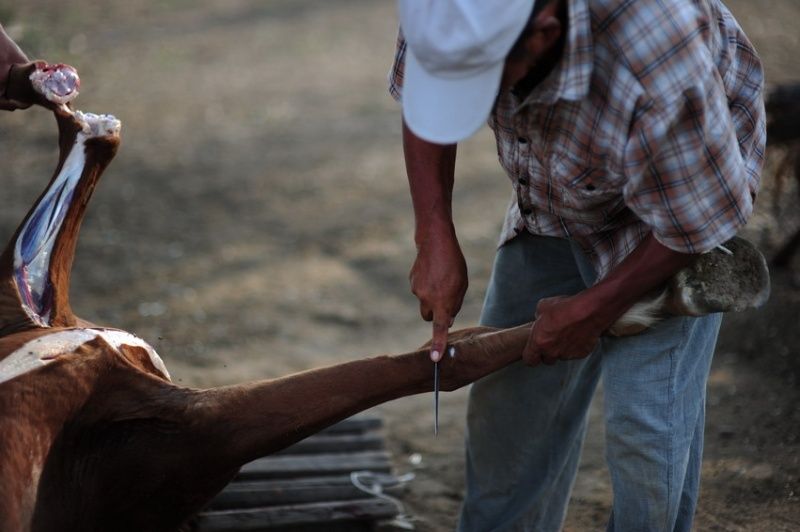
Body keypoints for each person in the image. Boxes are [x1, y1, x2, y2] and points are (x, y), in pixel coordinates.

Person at [389, 0, 764, 530]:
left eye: (483, 83)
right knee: (510, 412)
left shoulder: (658, 49)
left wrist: (593, 309)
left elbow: (699, 219)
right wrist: (433, 234)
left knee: (646, 440)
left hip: (670, 213)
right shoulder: (445, 11)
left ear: (543, 33)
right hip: (554, 193)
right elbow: (425, 102)